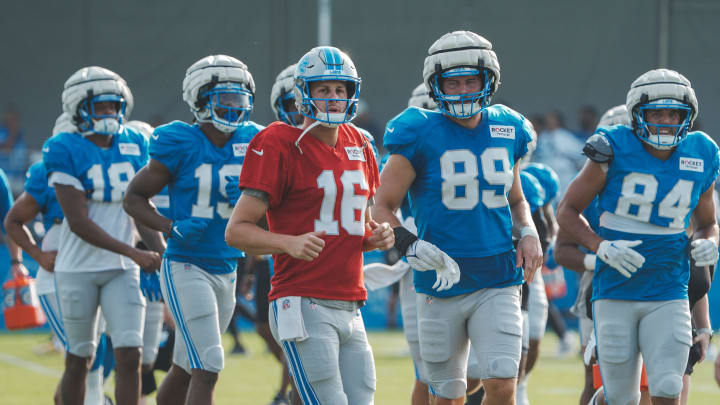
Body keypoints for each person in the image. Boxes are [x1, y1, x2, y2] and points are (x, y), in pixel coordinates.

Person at [372, 30, 543, 405]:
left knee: (501, 380)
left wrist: (528, 231)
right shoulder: (417, 130)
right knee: (448, 393)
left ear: (489, 82)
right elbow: (381, 204)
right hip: (440, 280)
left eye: (471, 80)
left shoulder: (508, 127)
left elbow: (516, 199)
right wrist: (407, 243)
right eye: (453, 82)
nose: (464, 90)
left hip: (498, 276)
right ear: (436, 85)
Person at [225, 45, 394, 405]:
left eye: (340, 90)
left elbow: (354, 228)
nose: (333, 98)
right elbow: (236, 230)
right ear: (304, 93)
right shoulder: (279, 141)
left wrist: (375, 236)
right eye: (323, 89)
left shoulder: (361, 143)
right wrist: (287, 242)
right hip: (302, 299)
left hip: (351, 301)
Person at [557, 68, 718, 405]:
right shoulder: (613, 147)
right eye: (655, 112)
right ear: (637, 115)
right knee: (620, 397)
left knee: (669, 386)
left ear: (687, 117)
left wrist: (711, 241)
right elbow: (567, 210)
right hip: (616, 288)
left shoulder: (700, 152)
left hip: (669, 286)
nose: (664, 121)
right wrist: (600, 247)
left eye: (673, 113)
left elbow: (707, 223)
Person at [122, 54, 263, 405]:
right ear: (199, 98)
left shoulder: (256, 140)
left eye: (239, 97)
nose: (234, 106)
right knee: (210, 362)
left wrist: (253, 195)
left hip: (228, 264)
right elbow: (134, 199)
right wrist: (172, 227)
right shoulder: (178, 140)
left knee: (186, 365)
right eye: (224, 98)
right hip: (186, 264)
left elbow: (276, 206)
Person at [43, 66, 164, 405]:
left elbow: (140, 208)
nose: (110, 113)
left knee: (130, 355)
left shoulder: (134, 142)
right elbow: (79, 222)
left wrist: (163, 251)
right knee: (80, 359)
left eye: (114, 106)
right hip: (77, 268)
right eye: (102, 107)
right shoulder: (64, 147)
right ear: (78, 108)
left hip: (122, 271)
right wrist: (134, 252)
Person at [4, 112, 117, 405]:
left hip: (102, 268)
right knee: (83, 355)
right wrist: (37, 255)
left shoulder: (110, 165)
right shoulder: (46, 171)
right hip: (61, 274)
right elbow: (13, 220)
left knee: (111, 346)